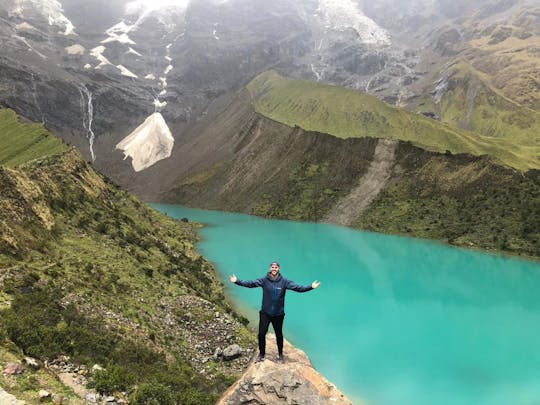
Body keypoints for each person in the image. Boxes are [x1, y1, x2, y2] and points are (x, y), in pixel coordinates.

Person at [229, 261, 320, 363]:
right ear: (270, 268)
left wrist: (311, 287)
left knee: (279, 335)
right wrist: (237, 281)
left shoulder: (284, 282)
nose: (274, 269)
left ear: (279, 269)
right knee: (261, 334)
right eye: (272, 267)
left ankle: (280, 355)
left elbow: (298, 288)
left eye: (276, 267)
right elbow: (250, 283)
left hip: (278, 314)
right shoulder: (264, 280)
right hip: (265, 313)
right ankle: (262, 354)